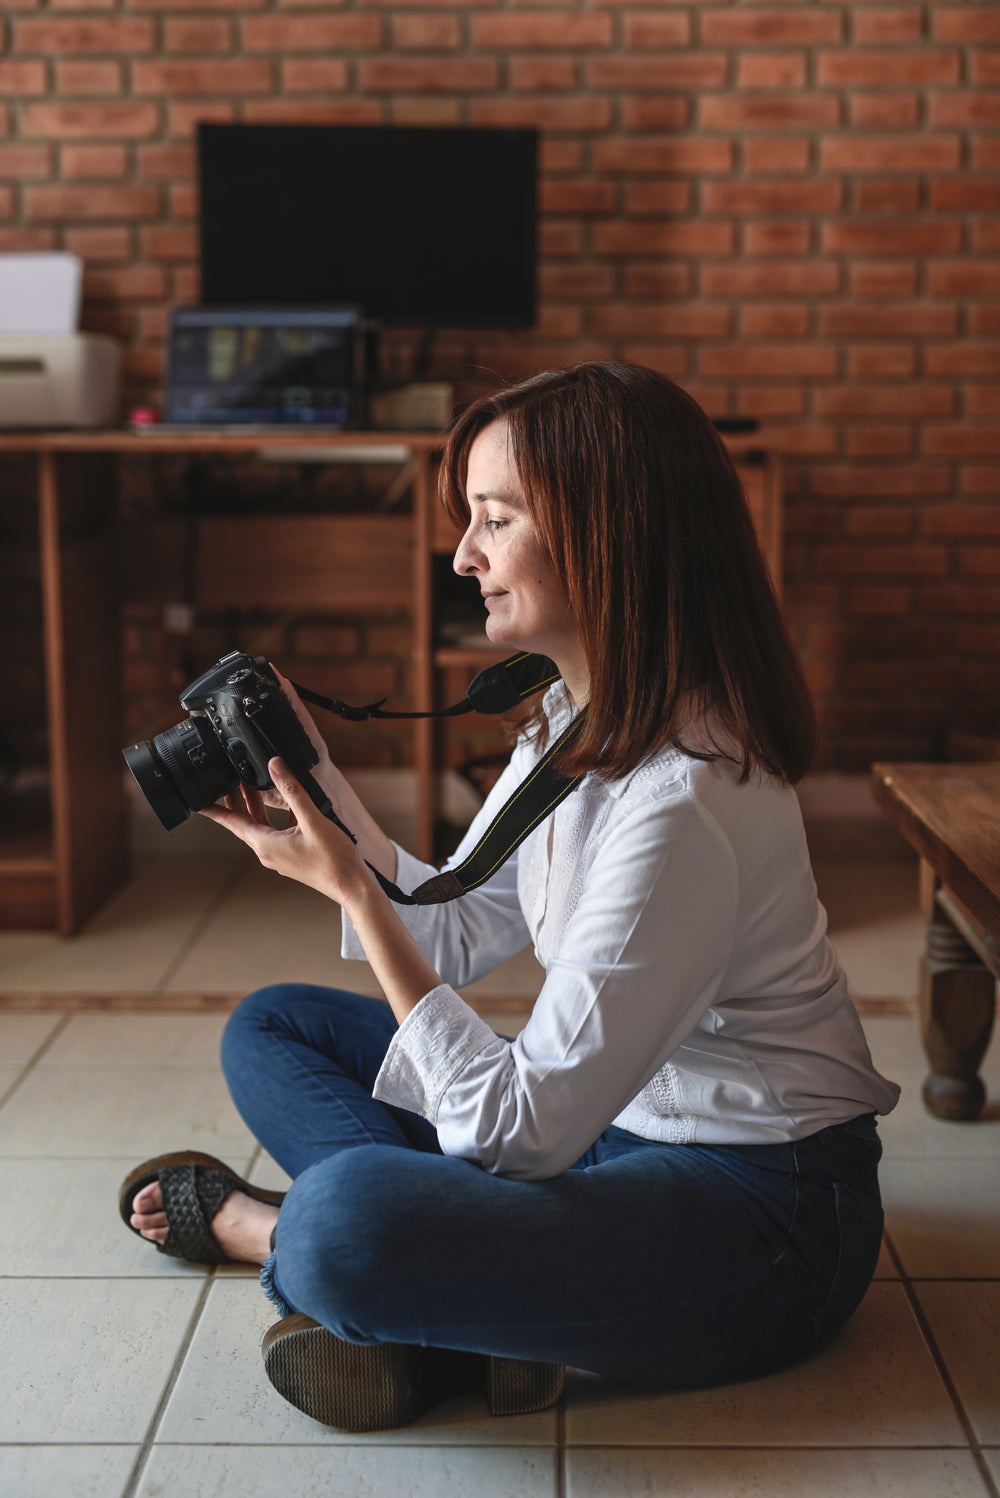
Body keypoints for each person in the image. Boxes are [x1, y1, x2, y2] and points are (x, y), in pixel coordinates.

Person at [120, 361, 900, 1432]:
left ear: (602, 533)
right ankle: (479, 1310)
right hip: (606, 1134)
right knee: (272, 1026)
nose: (463, 555)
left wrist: (351, 888)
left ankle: (288, 1238)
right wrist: (319, 781)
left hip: (762, 1210)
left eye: (494, 519)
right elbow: (447, 923)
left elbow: (517, 1136)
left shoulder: (685, 799)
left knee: (337, 1230)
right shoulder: (574, 717)